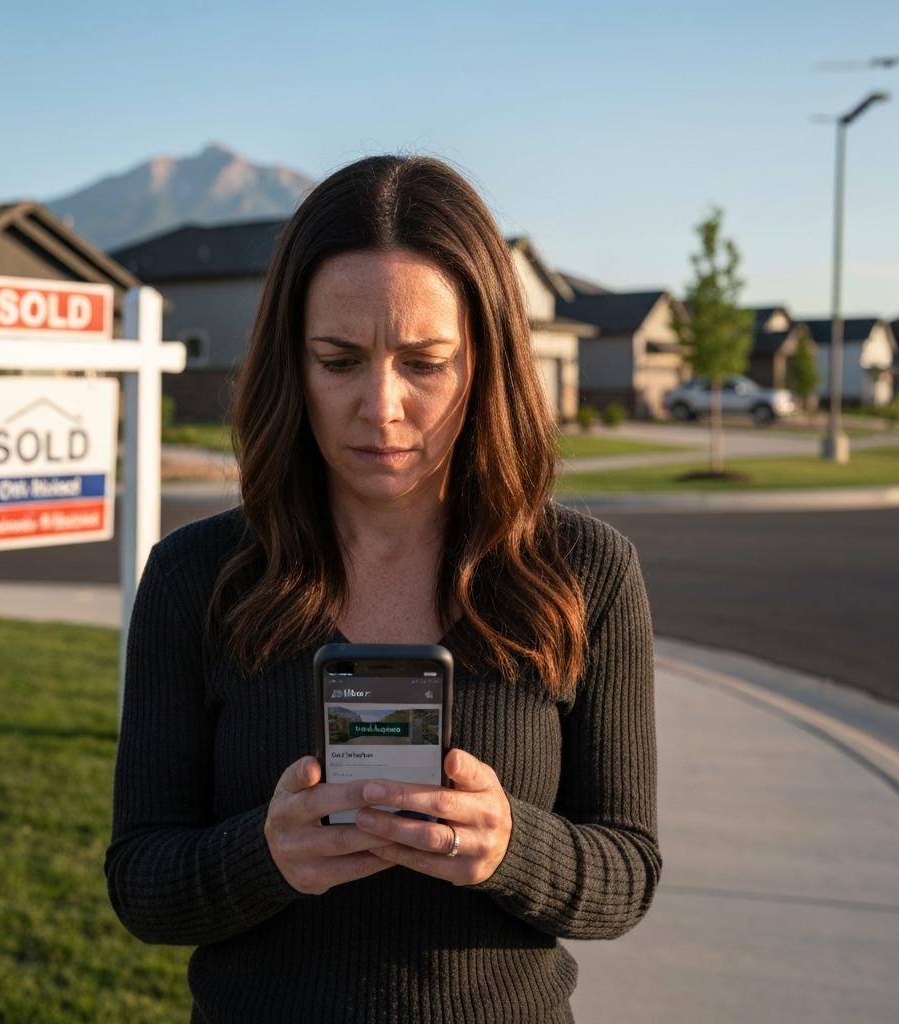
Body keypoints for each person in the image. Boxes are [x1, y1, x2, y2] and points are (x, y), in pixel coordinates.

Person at [105, 154, 661, 1024]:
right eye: (338, 360)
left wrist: (515, 848)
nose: (382, 406)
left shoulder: (586, 573)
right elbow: (141, 881)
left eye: (425, 363)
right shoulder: (195, 578)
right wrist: (264, 856)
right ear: (292, 365)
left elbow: (628, 872)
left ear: (487, 364)